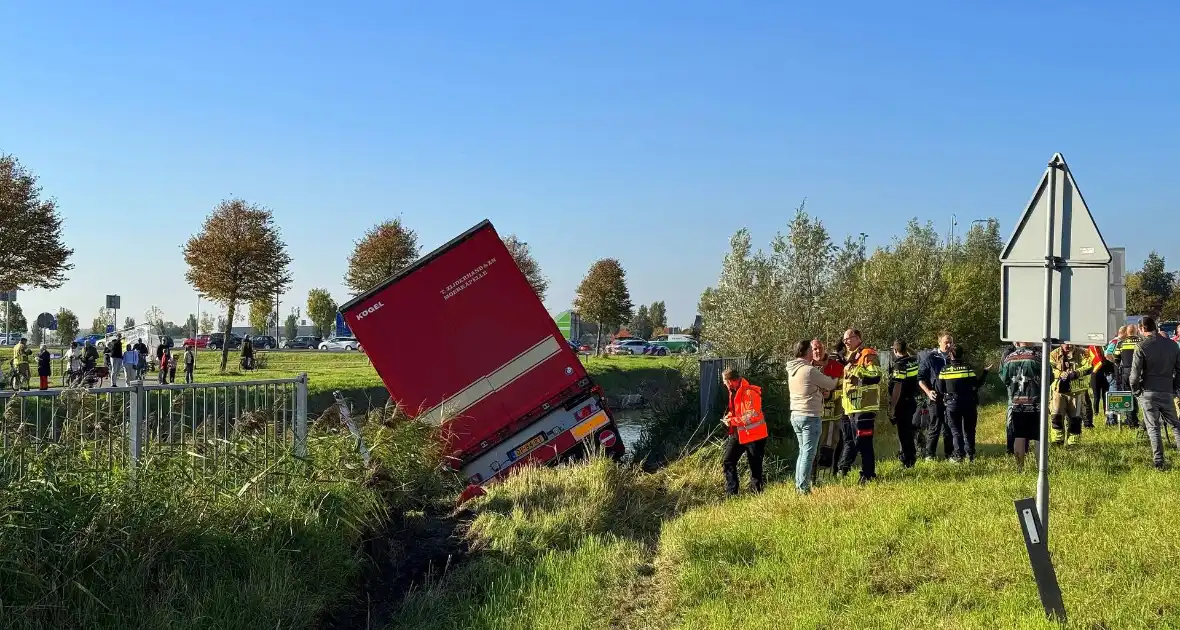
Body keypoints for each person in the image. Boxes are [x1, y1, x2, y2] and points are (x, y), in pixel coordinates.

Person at [787, 339, 839, 494]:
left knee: (803, 452)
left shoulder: (792, 369)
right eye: (811, 350)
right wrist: (836, 376)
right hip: (809, 415)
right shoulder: (809, 370)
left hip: (796, 414)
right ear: (807, 352)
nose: (814, 352)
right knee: (808, 455)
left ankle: (799, 485)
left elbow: (807, 387)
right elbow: (830, 384)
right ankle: (803, 489)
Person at [1130, 316, 1180, 470]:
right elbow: (1179, 370)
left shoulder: (1142, 346)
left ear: (1142, 329)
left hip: (1148, 391)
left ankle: (1159, 462)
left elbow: (1134, 375)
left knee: (1153, 428)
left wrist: (1136, 390)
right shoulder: (1173, 345)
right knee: (1175, 425)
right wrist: (1174, 388)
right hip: (1166, 390)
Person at [838, 328, 882, 484]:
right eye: (844, 340)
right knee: (853, 441)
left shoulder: (867, 354)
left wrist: (854, 369)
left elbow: (876, 375)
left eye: (848, 339)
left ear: (858, 338)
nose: (845, 342)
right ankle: (844, 470)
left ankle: (868, 475)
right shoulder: (848, 357)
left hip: (865, 406)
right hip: (851, 407)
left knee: (864, 442)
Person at [935, 344, 989, 462]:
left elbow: (939, 389)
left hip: (952, 404)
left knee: (956, 431)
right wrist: (985, 372)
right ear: (962, 355)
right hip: (969, 403)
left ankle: (959, 456)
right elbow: (977, 385)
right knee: (969, 430)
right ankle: (971, 456)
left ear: (950, 354)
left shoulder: (944, 370)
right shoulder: (968, 369)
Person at [720, 366, 767, 496]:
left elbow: (751, 416)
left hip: (755, 436)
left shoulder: (749, 392)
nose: (724, 384)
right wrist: (730, 417)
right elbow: (737, 411)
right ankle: (732, 493)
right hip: (739, 434)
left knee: (755, 467)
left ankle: (757, 494)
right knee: (728, 461)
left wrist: (732, 421)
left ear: (730, 381)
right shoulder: (734, 391)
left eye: (724, 381)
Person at [1001, 342, 1042, 472]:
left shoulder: (1009, 358)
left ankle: (1020, 468)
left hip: (1017, 402)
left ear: (1017, 342)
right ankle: (1040, 468)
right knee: (1038, 437)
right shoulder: (1037, 356)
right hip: (1035, 401)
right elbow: (1049, 377)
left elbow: (1003, 378)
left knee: (1019, 436)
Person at [919, 332, 955, 461]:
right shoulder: (930, 358)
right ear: (939, 342)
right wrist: (928, 392)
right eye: (946, 342)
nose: (949, 345)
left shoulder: (955, 358)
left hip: (951, 398)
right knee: (935, 425)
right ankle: (930, 455)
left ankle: (950, 454)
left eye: (951, 342)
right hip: (935, 397)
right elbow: (920, 379)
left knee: (949, 426)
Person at [1048, 342, 1092, 446]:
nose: (1069, 346)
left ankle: (1073, 443)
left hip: (1075, 392)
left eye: (1071, 344)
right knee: (1056, 417)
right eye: (1066, 344)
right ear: (1061, 344)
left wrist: (1075, 373)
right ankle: (1057, 442)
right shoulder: (1053, 354)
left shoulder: (1083, 353)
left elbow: (1089, 366)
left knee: (1075, 418)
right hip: (1058, 391)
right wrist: (1061, 374)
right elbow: (1050, 368)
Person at [889, 339, 921, 468]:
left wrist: (892, 407)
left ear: (895, 350)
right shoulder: (913, 361)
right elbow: (916, 354)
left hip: (902, 402)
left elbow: (897, 387)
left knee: (903, 433)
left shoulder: (899, 365)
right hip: (912, 399)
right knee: (907, 431)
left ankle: (907, 460)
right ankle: (910, 457)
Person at [1113, 326, 1142, 428]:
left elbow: (1116, 359)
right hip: (1140, 372)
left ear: (1127, 333)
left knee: (1129, 397)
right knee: (1143, 396)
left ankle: (1131, 422)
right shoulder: (1141, 342)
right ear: (1136, 331)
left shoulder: (1121, 343)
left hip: (1126, 372)